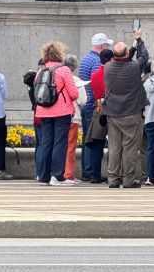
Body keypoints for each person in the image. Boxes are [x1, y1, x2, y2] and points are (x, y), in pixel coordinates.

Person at [104, 41, 148, 189]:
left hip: (113, 113)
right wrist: (139, 42)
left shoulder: (108, 67)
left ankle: (112, 178)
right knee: (129, 147)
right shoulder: (134, 67)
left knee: (114, 146)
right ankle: (128, 179)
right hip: (131, 112)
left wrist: (132, 48)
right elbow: (144, 57)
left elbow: (124, 59)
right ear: (127, 55)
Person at [33, 41, 78, 186]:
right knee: (60, 142)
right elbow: (74, 93)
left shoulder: (41, 70)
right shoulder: (64, 69)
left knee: (46, 142)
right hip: (61, 111)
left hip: (43, 111)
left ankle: (43, 176)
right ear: (59, 54)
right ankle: (57, 176)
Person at [79, 32, 113, 182]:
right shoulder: (96, 62)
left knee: (89, 139)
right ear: (101, 46)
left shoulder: (86, 59)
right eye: (106, 45)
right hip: (97, 104)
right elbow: (99, 82)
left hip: (88, 104)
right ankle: (91, 171)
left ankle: (89, 171)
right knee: (97, 140)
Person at [85, 48, 114, 184]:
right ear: (111, 59)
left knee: (97, 144)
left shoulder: (94, 75)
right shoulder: (114, 73)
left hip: (98, 109)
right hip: (114, 111)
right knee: (115, 145)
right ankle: (113, 174)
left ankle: (95, 175)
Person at [63, 54, 88, 183]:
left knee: (59, 145)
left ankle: (58, 172)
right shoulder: (76, 80)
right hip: (73, 117)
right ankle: (68, 174)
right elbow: (83, 100)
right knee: (70, 146)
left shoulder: (57, 77)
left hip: (58, 117)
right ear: (74, 67)